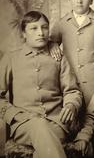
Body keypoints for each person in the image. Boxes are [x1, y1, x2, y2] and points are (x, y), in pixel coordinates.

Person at [0, 11, 83, 158]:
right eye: (34, 28)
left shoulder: (58, 57)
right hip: (24, 124)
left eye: (44, 27)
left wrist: (71, 105)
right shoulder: (12, 58)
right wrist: (14, 115)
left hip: (57, 122)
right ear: (23, 33)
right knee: (39, 127)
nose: (41, 33)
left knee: (45, 143)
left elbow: (72, 91)